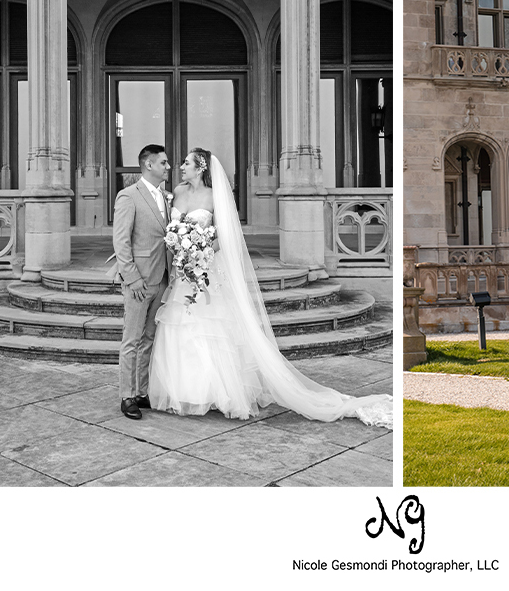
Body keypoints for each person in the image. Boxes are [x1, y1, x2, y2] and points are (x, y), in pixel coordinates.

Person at [148, 149, 392, 427]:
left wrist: (201, 253)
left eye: (186, 163)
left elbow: (225, 237)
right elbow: (172, 228)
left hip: (206, 271)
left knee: (209, 329)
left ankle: (218, 393)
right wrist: (181, 251)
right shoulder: (177, 193)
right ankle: (183, 391)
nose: (181, 166)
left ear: (200, 168)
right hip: (183, 274)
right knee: (180, 328)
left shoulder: (215, 197)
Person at [112, 144, 172, 421]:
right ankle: (127, 396)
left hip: (161, 279)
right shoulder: (128, 196)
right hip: (139, 281)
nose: (168, 167)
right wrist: (131, 278)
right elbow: (121, 242)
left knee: (149, 338)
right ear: (148, 165)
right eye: (163, 163)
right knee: (131, 340)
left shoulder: (166, 198)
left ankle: (142, 392)